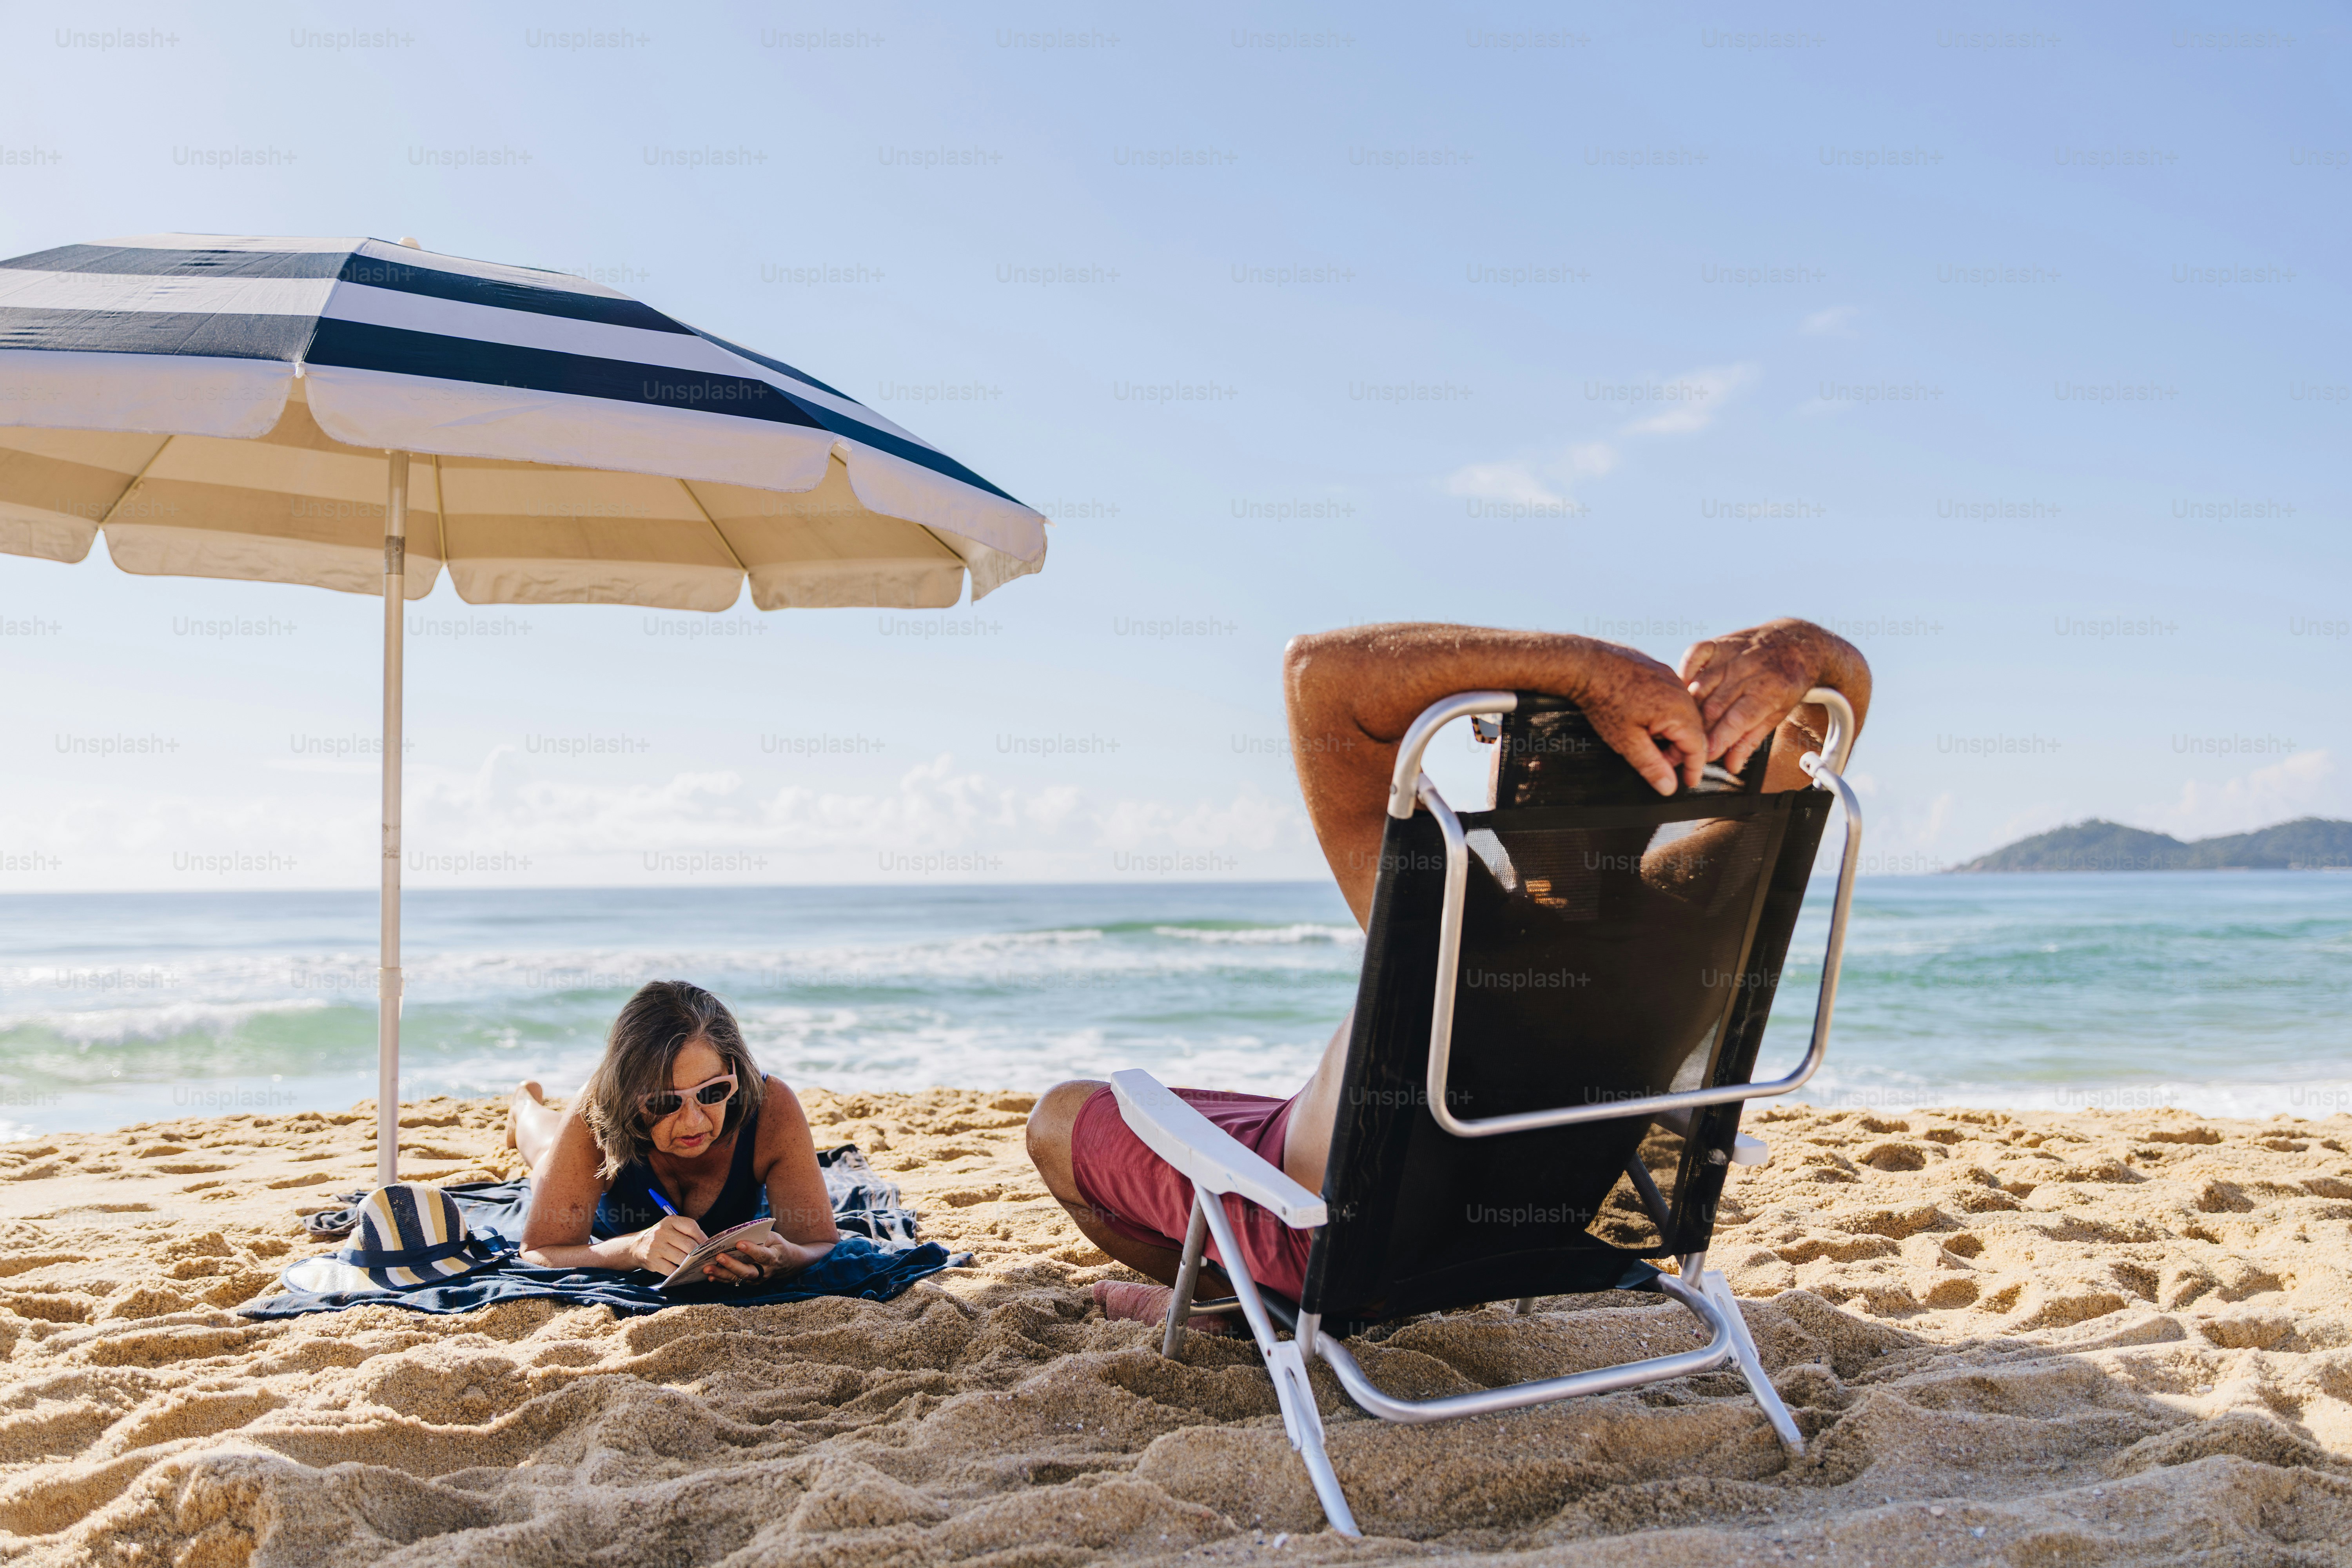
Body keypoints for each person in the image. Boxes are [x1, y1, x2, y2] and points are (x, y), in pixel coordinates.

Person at [1026, 617, 1872, 1328]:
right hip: (1526, 1227)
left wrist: (1584, 669)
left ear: (1518, 789)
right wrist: (1795, 652)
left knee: (1060, 1116)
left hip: (1323, 1232)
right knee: (1243, 1107)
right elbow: (1823, 732)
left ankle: (1243, 1308)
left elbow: (1318, 672)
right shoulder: (1708, 913)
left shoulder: (1455, 912)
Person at [508, 979, 839, 1285]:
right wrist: (633, 1249)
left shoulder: (770, 1105)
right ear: (626, 1094)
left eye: (713, 1092)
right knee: (545, 1151)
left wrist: (789, 1259)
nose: (694, 1122)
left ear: (735, 1071)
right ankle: (523, 1107)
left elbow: (820, 1243)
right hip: (602, 1203)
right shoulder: (596, 1110)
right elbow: (540, 1252)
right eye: (664, 1102)